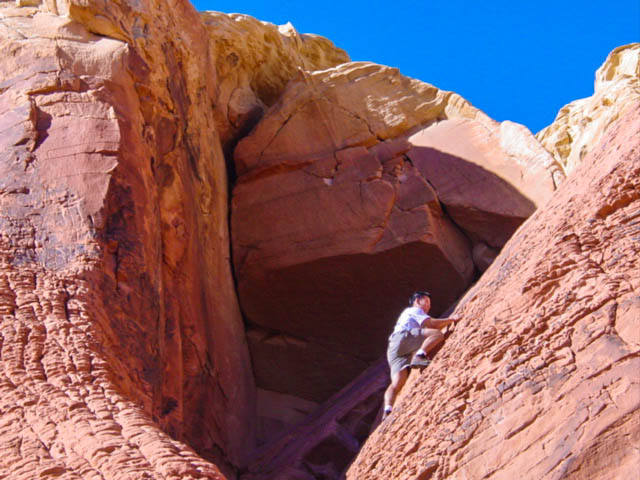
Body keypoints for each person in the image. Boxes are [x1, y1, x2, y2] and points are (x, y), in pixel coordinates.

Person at [382, 291, 459, 419]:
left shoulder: (406, 314)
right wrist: (452, 319)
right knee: (436, 334)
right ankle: (420, 356)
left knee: (397, 383)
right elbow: (432, 324)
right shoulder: (414, 310)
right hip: (403, 337)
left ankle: (387, 409)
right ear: (417, 301)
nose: (428, 306)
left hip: (393, 348)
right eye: (427, 301)